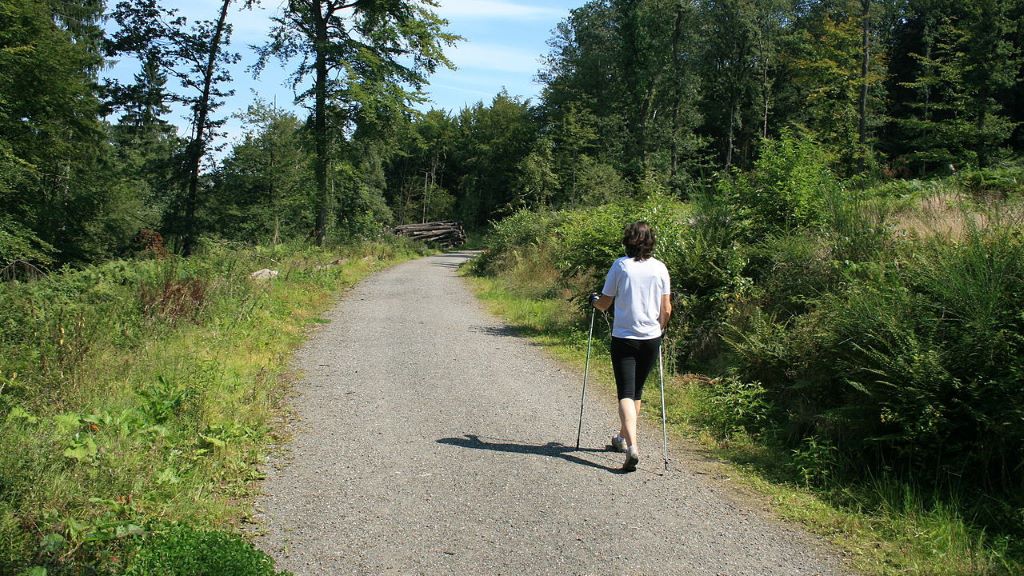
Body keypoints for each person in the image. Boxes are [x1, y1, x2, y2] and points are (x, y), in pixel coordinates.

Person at [589, 222, 671, 471]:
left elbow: (605, 303)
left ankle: (632, 447)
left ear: (628, 241)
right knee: (636, 392)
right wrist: (661, 328)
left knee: (625, 392)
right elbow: (666, 308)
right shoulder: (660, 268)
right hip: (651, 337)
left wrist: (594, 302)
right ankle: (621, 439)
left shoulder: (620, 265)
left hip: (625, 337)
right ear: (650, 242)